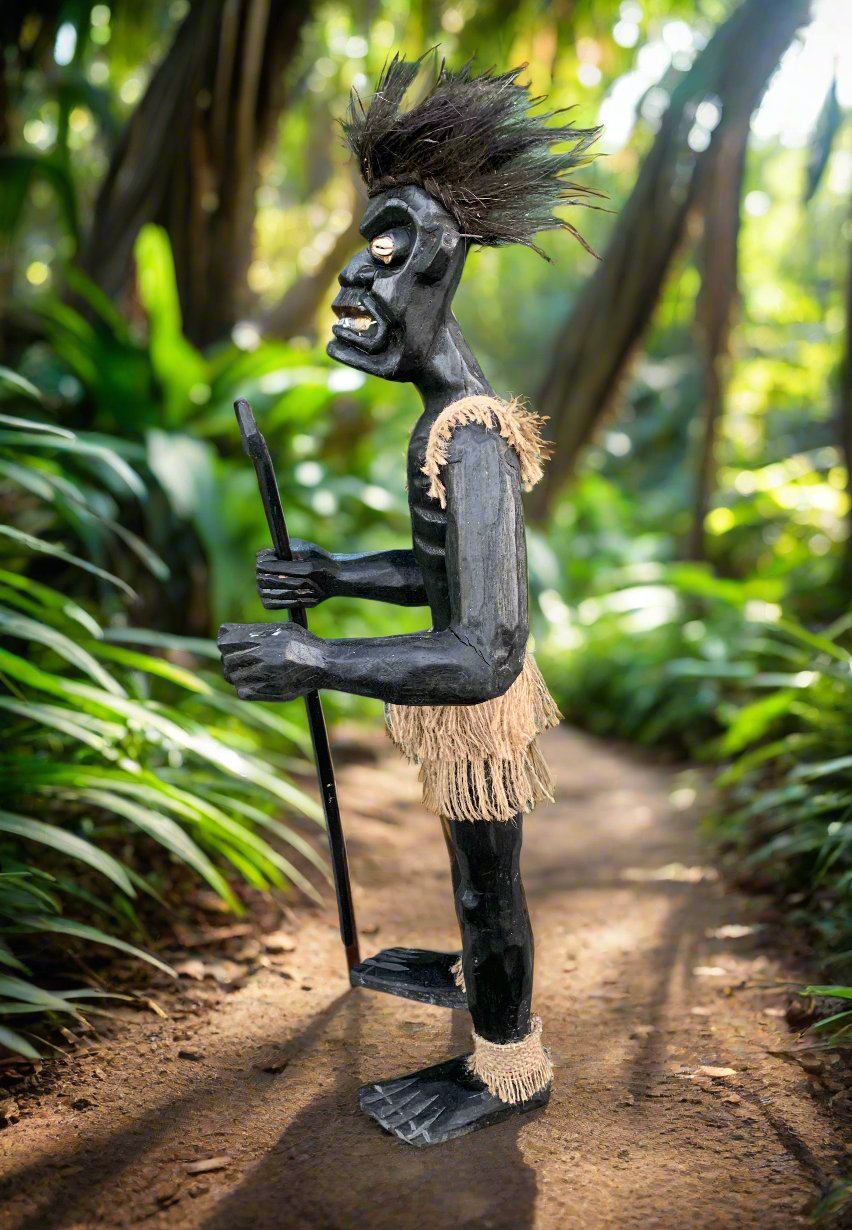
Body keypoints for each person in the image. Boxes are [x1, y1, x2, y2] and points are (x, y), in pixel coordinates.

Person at [219, 57, 599, 1146]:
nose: (354, 284)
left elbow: (482, 649)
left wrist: (318, 660)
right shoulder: (446, 421)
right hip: (463, 696)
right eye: (359, 252)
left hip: (475, 702)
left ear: (438, 270)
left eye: (386, 254)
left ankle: (505, 1063)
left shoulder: (471, 434)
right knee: (476, 869)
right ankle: (471, 973)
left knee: (490, 885)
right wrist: (339, 573)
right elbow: (441, 571)